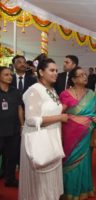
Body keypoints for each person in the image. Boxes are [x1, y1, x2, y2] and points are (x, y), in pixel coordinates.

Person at [19, 56, 68, 200]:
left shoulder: (51, 90)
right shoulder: (34, 90)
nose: (55, 73)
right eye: (51, 70)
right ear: (41, 72)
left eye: (57, 70)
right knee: (39, 183)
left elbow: (51, 110)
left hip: (53, 138)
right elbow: (31, 119)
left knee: (50, 179)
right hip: (38, 139)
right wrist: (60, 118)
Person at [60, 66, 96, 199]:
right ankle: (68, 191)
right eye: (81, 75)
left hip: (85, 134)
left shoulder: (91, 94)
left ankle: (84, 190)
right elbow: (59, 112)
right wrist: (76, 119)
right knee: (69, 161)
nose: (85, 77)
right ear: (73, 79)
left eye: (85, 74)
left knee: (84, 161)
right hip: (69, 134)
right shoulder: (65, 94)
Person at [0, 67, 24, 187]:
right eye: (6, 75)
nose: (10, 77)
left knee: (12, 156)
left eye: (11, 74)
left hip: (13, 130)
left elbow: (20, 108)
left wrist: (22, 124)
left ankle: (10, 179)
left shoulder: (15, 91)